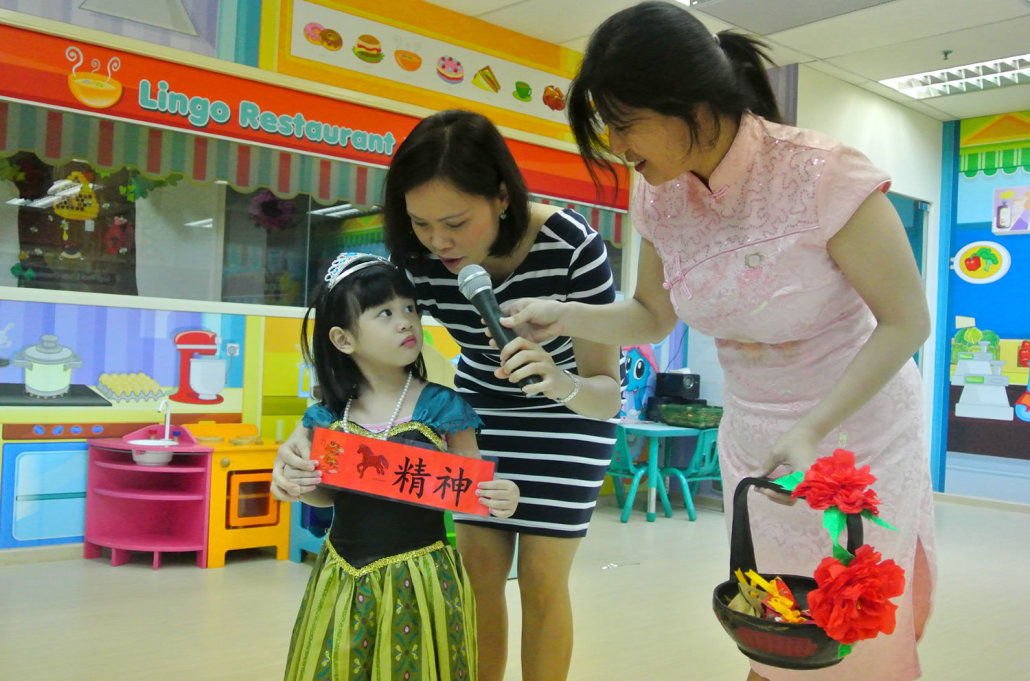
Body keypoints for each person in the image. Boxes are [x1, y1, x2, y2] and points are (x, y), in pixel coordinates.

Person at [499, 3, 937, 681]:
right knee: (771, 617)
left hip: (856, 434)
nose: (617, 145)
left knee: (849, 624)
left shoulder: (822, 173)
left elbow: (906, 321)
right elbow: (652, 316)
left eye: (624, 123)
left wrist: (813, 427)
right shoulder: (658, 194)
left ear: (694, 107)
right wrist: (562, 314)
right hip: (755, 434)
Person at [274, 110, 623, 681]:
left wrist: (557, 381)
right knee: (477, 577)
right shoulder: (418, 258)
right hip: (477, 414)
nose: (439, 242)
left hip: (570, 417)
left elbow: (607, 394)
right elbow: (362, 344)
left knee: (542, 581)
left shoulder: (571, 246)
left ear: (502, 196)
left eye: (456, 223)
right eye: (421, 223)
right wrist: (307, 434)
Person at [276, 251, 520, 681]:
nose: (406, 322)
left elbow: (474, 485)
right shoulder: (327, 416)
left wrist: (505, 495)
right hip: (342, 573)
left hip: (422, 576)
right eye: (384, 313)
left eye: (409, 308)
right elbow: (324, 495)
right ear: (343, 340)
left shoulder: (443, 406)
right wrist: (298, 484)